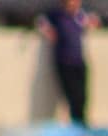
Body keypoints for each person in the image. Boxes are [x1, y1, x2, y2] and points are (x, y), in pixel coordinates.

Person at [37, 0, 100, 128]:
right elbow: (41, 21)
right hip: (64, 62)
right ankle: (76, 123)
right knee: (73, 95)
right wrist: (48, 32)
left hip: (79, 61)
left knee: (82, 96)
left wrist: (92, 23)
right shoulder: (57, 15)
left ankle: (81, 123)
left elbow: (92, 22)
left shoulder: (79, 16)